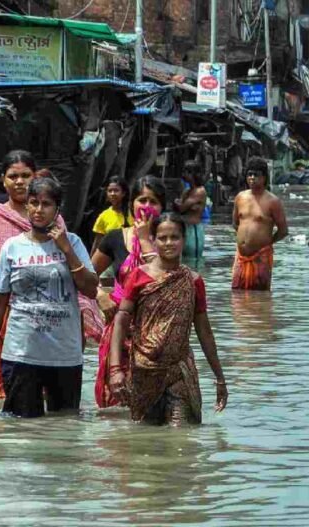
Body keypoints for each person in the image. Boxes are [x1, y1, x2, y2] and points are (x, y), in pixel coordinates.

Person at [0, 150, 103, 398]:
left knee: (61, 416)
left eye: (26, 175)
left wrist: (67, 250)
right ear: (2, 179)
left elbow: (80, 285)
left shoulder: (62, 232)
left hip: (59, 338)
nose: (19, 181)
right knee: (3, 402)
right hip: (10, 329)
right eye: (13, 176)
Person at [108, 213, 228, 425]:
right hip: (144, 369)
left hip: (179, 369)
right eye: (162, 238)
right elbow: (121, 321)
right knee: (146, 439)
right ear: (153, 240)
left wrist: (219, 377)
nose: (169, 243)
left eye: (175, 237)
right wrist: (115, 369)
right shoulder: (138, 276)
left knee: (180, 436)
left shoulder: (193, 281)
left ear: (184, 239)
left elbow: (204, 331)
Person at [91, 175, 168, 408]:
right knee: (115, 403)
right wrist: (100, 295)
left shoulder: (169, 241)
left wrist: (146, 239)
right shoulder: (116, 238)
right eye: (141, 200)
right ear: (131, 203)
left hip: (155, 332)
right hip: (119, 330)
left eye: (153, 201)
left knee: (151, 405)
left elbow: (164, 281)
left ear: (162, 207)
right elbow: (86, 276)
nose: (146, 207)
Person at [232, 157, 288, 290]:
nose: (251, 178)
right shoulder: (240, 197)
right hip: (241, 256)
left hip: (261, 256)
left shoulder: (273, 201)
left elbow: (283, 231)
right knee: (237, 296)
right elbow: (235, 224)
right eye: (249, 174)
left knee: (261, 297)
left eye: (256, 175)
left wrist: (266, 243)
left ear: (264, 178)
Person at [174, 160, 208, 261]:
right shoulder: (187, 191)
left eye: (187, 172)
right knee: (183, 261)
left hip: (194, 231)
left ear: (194, 174)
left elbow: (181, 207)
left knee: (194, 261)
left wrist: (180, 204)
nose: (184, 174)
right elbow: (179, 208)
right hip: (184, 228)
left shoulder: (200, 191)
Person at [91, 177, 133, 256]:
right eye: (110, 191)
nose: (112, 194)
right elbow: (97, 243)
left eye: (116, 190)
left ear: (123, 193)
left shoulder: (133, 213)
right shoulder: (104, 216)